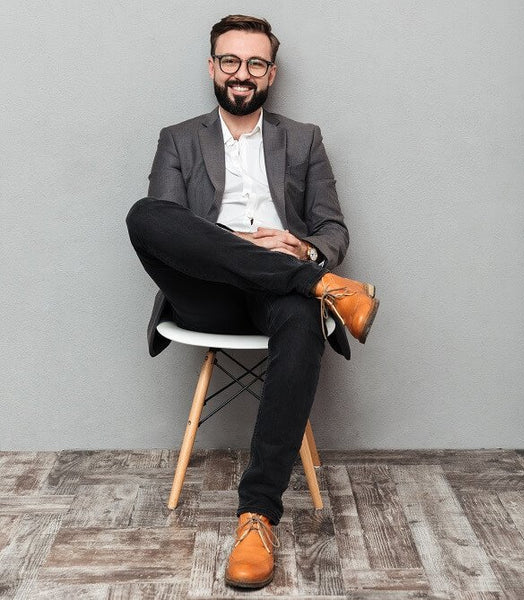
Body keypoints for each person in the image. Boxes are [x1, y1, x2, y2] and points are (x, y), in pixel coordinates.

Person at [126, 14, 379, 589]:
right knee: (145, 214)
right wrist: (242, 245)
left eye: (256, 63)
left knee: (298, 313)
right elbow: (167, 229)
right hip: (206, 295)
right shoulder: (179, 138)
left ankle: (257, 515)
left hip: (281, 291)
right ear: (213, 67)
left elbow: (333, 229)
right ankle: (324, 289)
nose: (243, 74)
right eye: (231, 62)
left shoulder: (303, 138)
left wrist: (304, 249)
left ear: (271, 72)